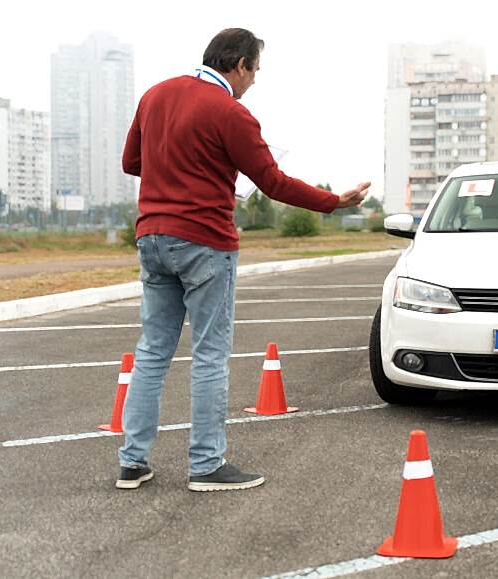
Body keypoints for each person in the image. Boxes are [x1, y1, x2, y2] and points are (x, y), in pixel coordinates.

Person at [116, 28, 368, 492]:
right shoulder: (231, 112)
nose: (254, 81)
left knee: (152, 352)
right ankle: (207, 465)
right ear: (239, 65)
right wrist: (335, 201)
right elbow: (272, 182)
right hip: (204, 242)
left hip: (151, 237)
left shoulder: (155, 95)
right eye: (255, 71)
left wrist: (180, 169)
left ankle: (132, 462)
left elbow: (132, 162)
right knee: (210, 354)